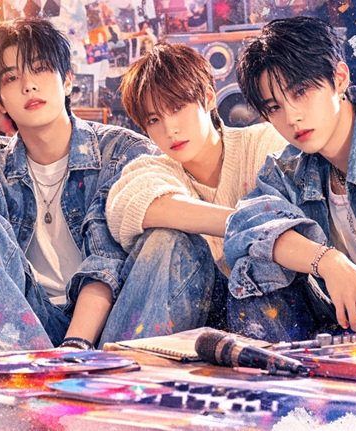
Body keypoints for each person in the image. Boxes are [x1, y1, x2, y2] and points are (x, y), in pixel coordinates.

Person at [0, 18, 159, 351]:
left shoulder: (120, 151)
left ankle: (62, 370)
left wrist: (74, 348)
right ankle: (36, 371)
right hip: (25, 323)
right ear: (0, 101)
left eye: (40, 69)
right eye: (11, 78)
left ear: (67, 81)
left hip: (111, 326)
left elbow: (108, 261)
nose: (28, 86)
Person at [225, 16, 356, 343]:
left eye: (301, 91)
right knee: (257, 263)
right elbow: (243, 228)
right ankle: (276, 369)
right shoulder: (287, 169)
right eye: (274, 107)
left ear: (339, 78)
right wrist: (328, 262)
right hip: (343, 335)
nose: (292, 117)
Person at [105, 42, 288, 335]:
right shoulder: (154, 168)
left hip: (275, 310)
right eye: (154, 119)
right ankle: (125, 361)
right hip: (195, 314)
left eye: (177, 108)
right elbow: (126, 207)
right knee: (164, 239)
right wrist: (246, 224)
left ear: (209, 97)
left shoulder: (264, 143)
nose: (170, 130)